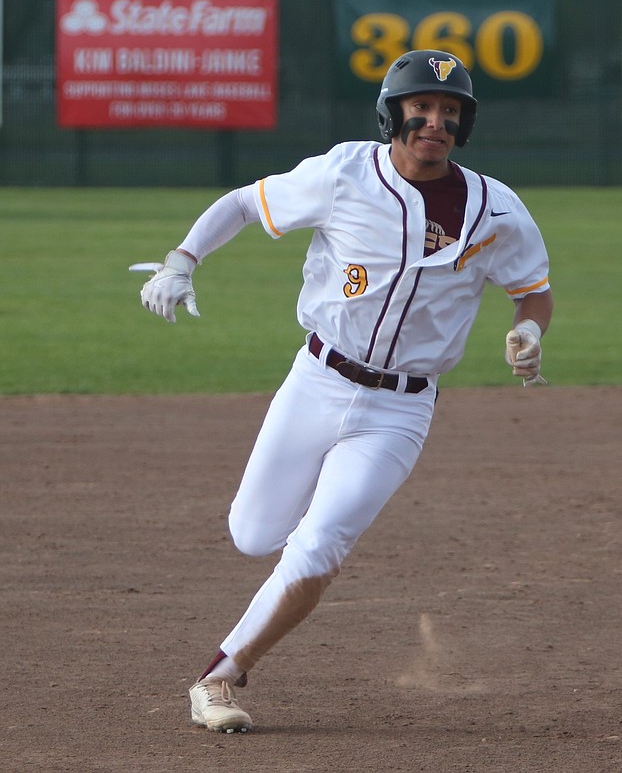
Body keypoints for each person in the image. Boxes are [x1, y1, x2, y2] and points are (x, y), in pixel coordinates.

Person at [137, 49, 554, 732]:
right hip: (316, 382)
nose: (435, 122)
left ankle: (220, 676)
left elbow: (532, 292)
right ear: (394, 113)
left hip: (401, 409)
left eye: (451, 113)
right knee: (252, 534)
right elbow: (246, 203)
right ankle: (276, 573)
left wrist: (530, 334)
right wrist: (184, 259)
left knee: (321, 544)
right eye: (422, 107)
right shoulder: (343, 174)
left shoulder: (495, 209)